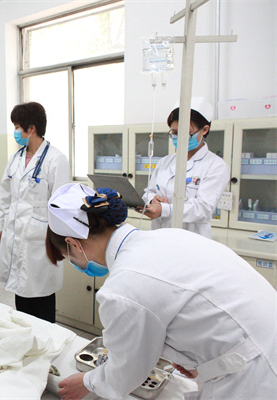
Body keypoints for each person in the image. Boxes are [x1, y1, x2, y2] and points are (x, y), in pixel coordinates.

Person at [45, 183, 277, 400]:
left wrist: (87, 382)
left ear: (74, 244)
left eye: (69, 257)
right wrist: (189, 355)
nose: (76, 264)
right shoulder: (169, 237)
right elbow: (196, 305)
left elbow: (124, 374)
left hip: (255, 374)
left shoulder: (124, 287)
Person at [0, 102, 70, 323]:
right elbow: (6, 195)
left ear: (32, 128)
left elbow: (60, 205)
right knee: (20, 292)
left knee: (41, 293)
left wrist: (58, 241)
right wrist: (2, 226)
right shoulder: (15, 159)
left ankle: (46, 337)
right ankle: (25, 333)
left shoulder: (56, 159)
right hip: (15, 231)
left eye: (18, 127)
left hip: (41, 238)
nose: (15, 132)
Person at [139, 102, 230, 238]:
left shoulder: (216, 166)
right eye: (175, 132)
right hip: (159, 237)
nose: (179, 137)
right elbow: (149, 192)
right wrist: (153, 200)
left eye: (187, 133)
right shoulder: (165, 162)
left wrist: (164, 209)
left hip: (191, 241)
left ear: (204, 130)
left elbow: (203, 208)